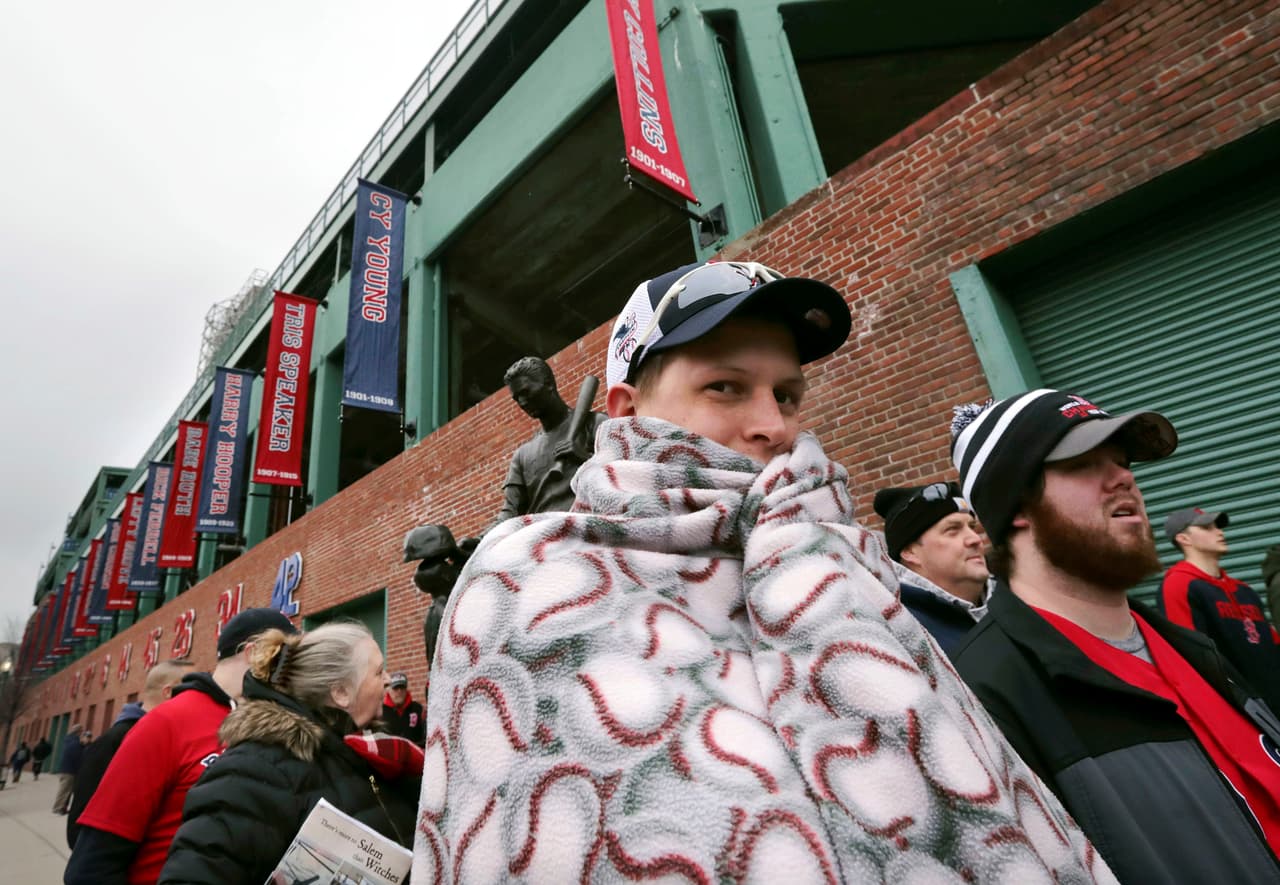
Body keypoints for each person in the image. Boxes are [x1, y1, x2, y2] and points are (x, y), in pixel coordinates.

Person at [412, 261, 1111, 883]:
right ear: (626, 411)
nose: (774, 426)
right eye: (725, 386)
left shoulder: (839, 561)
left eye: (787, 395)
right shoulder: (526, 575)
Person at [949, 389, 1280, 883]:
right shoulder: (982, 697)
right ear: (1015, 501)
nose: (1124, 477)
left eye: (1123, 461)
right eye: (1084, 461)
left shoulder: (1194, 652)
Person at [159, 622, 419, 884]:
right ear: (341, 693)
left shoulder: (376, 755)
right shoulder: (252, 769)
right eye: (378, 671)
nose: (388, 680)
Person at [65, 608, 297, 885]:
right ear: (253, 653)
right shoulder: (167, 723)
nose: (291, 672)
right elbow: (91, 866)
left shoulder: (268, 726)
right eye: (285, 659)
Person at [1159, 507, 1280, 712]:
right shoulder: (1179, 585)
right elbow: (1190, 657)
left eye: (1218, 527)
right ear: (1183, 539)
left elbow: (1272, 643)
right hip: (1241, 710)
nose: (1219, 532)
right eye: (1207, 527)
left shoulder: (1244, 590)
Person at [66, 659, 194, 849]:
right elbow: (80, 827)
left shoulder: (172, 737)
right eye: (194, 688)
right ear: (168, 692)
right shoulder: (114, 742)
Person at [872, 481, 989, 654]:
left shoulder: (1017, 596)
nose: (975, 539)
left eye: (971, 527)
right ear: (910, 552)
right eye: (952, 530)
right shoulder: (902, 635)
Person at [494, 355, 606, 522]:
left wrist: (585, 458)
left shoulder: (596, 424)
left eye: (525, 391)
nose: (522, 402)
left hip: (589, 529)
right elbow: (510, 512)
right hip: (541, 537)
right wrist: (480, 540)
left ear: (548, 384)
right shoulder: (522, 455)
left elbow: (627, 475)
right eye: (517, 398)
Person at [380, 672, 425, 745]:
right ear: (389, 690)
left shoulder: (417, 709)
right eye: (395, 688)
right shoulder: (380, 712)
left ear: (406, 689)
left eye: (402, 687)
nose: (399, 691)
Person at [51, 723, 84, 814]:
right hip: (70, 770)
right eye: (81, 731)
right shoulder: (75, 742)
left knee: (65, 790)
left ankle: (62, 807)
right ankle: (58, 807)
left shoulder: (67, 740)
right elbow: (77, 757)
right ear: (79, 731)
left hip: (65, 769)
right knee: (65, 789)